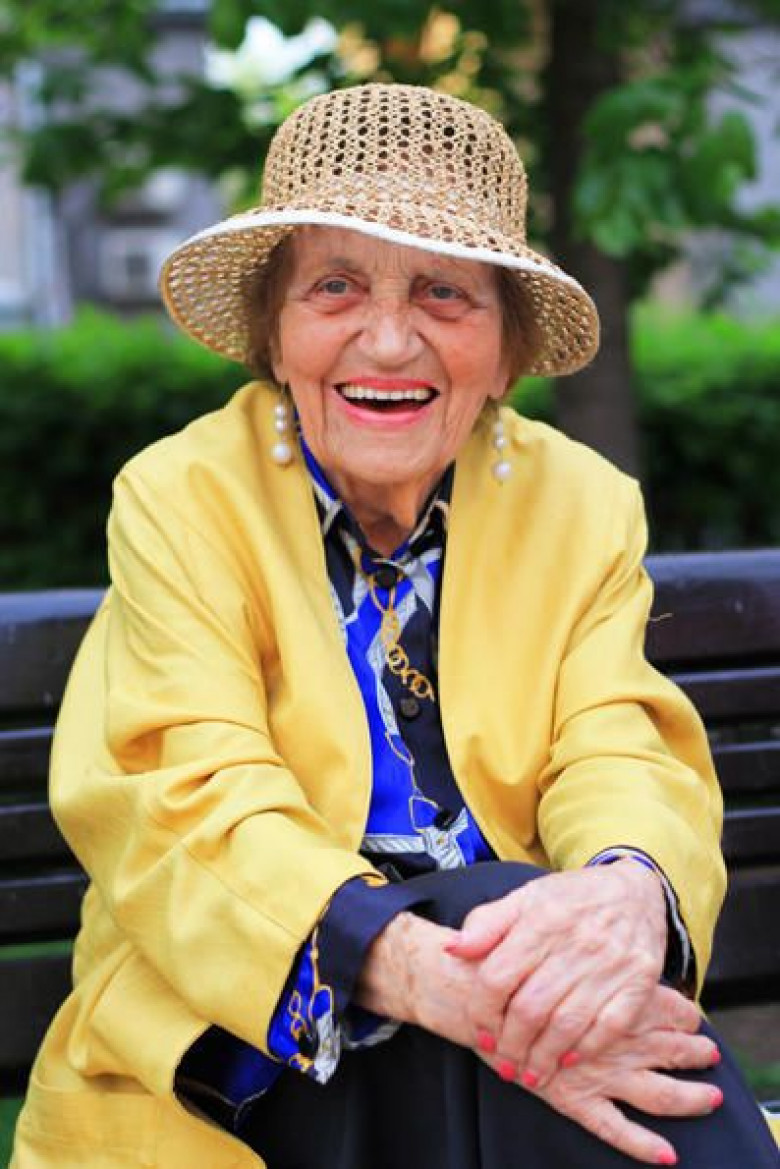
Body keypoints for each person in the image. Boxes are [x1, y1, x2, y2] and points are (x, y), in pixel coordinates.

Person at [11, 83, 779, 1169]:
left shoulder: (581, 504)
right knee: (514, 938)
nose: (386, 337)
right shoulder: (182, 500)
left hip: (517, 1025)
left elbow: (618, 741)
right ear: (275, 333)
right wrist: (426, 974)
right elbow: (180, 801)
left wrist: (625, 888)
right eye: (334, 286)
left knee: (520, 951)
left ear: (506, 352)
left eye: (443, 293)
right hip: (260, 1037)